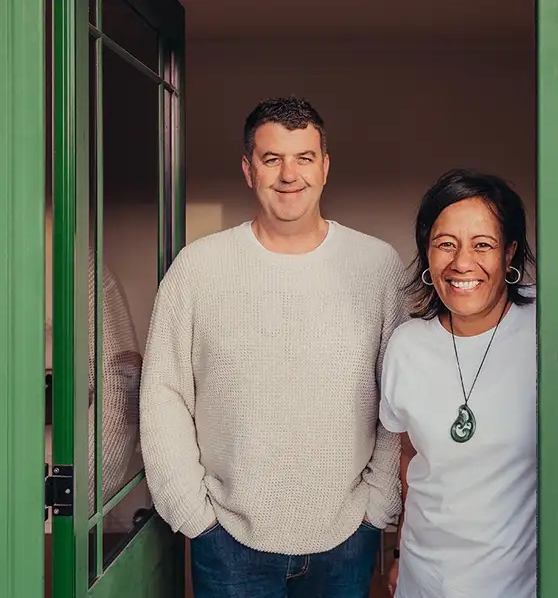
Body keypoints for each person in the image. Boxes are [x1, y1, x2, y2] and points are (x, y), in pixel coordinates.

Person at [140, 96, 409, 597]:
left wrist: (378, 507)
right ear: (249, 169)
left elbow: (398, 396)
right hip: (226, 539)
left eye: (304, 157)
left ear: (325, 167)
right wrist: (192, 515)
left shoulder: (377, 267)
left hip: (348, 536)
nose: (290, 174)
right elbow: (163, 393)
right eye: (272, 159)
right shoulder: (198, 268)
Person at [380, 169, 536, 598]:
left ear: (510, 254)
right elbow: (409, 459)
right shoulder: (406, 346)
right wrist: (397, 556)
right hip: (424, 579)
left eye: (482, 245)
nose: (461, 263)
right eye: (445, 244)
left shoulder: (547, 330)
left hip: (519, 584)